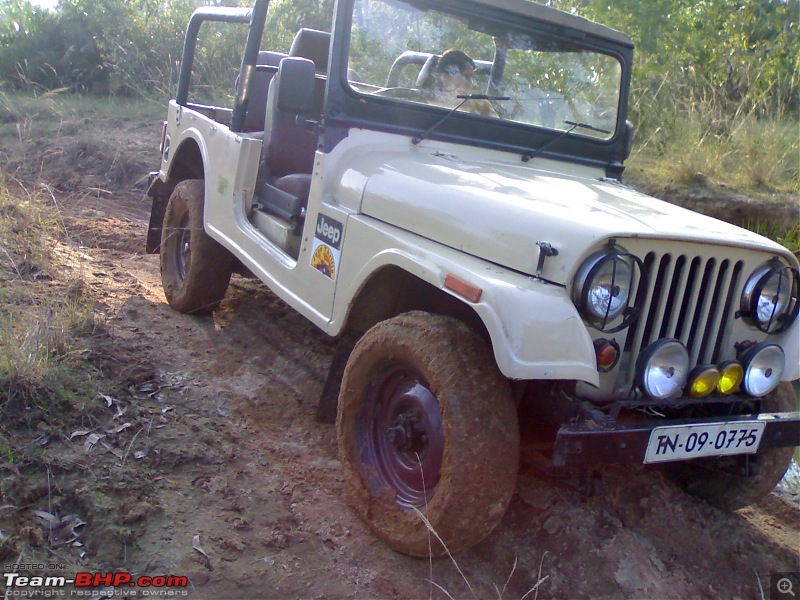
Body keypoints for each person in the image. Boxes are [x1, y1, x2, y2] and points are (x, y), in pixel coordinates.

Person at [419, 49, 496, 116]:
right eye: (465, 76)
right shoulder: (422, 105)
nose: (471, 83)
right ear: (444, 77)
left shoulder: (481, 106)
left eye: (471, 77)